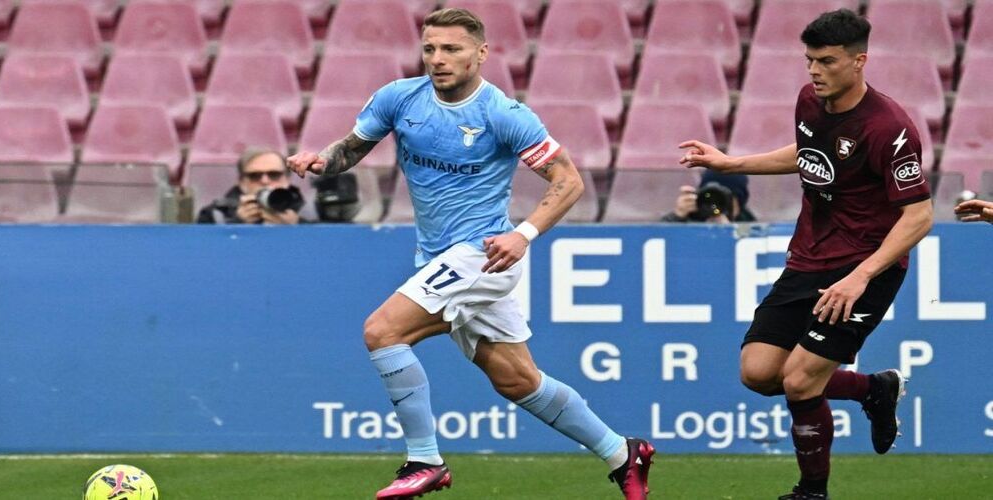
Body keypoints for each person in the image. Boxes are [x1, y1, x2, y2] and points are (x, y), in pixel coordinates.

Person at [287, 8, 654, 500]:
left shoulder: (503, 114)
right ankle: (621, 452)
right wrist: (321, 160)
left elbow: (568, 181)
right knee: (517, 380)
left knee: (383, 331)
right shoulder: (399, 97)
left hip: (483, 255)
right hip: (437, 257)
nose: (438, 59)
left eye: (451, 49)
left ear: (481, 53)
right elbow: (352, 148)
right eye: (430, 48)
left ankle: (424, 460)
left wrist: (523, 234)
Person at [678, 9, 933, 500]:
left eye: (827, 61)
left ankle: (812, 491)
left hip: (864, 268)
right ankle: (872, 389)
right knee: (758, 373)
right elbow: (807, 153)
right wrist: (732, 163)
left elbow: (919, 216)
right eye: (810, 60)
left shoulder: (890, 129)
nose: (815, 71)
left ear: (859, 61)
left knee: (799, 381)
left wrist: (861, 276)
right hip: (808, 259)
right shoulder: (809, 101)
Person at [196, 148, 307, 224]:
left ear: (287, 179)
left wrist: (296, 227)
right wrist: (237, 223)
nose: (265, 181)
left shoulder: (306, 210)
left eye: (274, 175)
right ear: (241, 181)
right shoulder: (215, 215)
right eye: (255, 176)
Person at [660, 170, 756, 223]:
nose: (715, 207)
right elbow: (658, 242)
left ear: (739, 204)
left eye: (722, 201)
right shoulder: (691, 216)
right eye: (709, 199)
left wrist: (729, 231)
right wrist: (676, 218)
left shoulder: (749, 226)